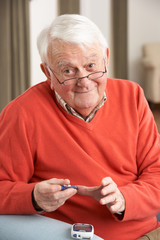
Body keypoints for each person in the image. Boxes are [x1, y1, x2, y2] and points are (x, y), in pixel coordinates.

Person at [0, 14, 160, 240]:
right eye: (68, 71)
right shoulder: (21, 113)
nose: (84, 80)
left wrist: (124, 199)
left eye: (91, 65)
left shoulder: (132, 95)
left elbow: (156, 173)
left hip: (148, 233)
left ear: (106, 58)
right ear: (48, 73)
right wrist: (34, 196)